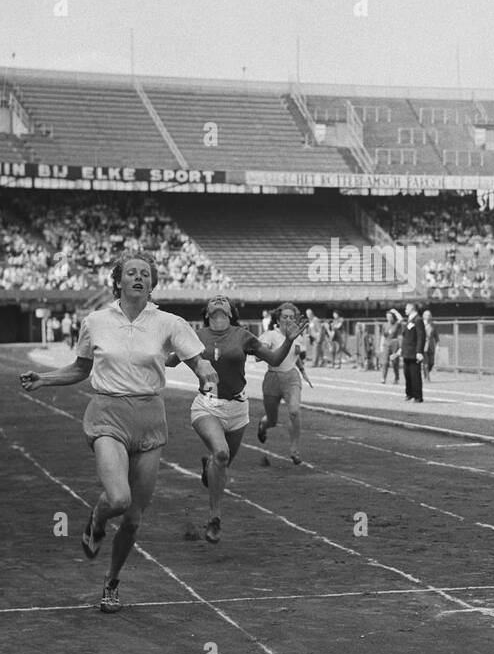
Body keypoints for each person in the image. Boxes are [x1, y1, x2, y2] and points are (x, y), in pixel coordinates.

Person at [20, 254, 218, 613]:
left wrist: (205, 370)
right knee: (119, 498)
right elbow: (81, 367)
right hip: (107, 414)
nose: (139, 278)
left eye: (145, 274)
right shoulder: (95, 321)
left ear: (152, 284)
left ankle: (111, 583)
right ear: (119, 281)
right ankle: (96, 521)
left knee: (134, 517)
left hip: (149, 417)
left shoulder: (168, 322)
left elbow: (196, 358)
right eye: (132, 273)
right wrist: (44, 378)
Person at [175, 296, 302, 543]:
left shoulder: (243, 336)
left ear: (231, 312)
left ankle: (209, 466)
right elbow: (169, 359)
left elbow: (274, 359)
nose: (219, 302)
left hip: (237, 410)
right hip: (207, 406)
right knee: (221, 455)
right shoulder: (196, 336)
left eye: (224, 301)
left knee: (222, 464)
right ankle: (215, 518)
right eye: (215, 300)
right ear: (207, 311)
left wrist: (288, 341)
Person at [257, 302, 308, 465]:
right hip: (272, 378)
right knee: (272, 420)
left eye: (292, 317)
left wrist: (302, 369)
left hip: (291, 378)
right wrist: (262, 351)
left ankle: (294, 450)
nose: (288, 320)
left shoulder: (299, 337)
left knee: (294, 412)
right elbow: (260, 353)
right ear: (278, 319)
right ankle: (263, 425)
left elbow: (296, 354)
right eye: (285, 317)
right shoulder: (270, 335)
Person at [400, 302, 426, 403]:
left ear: (412, 308)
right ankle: (409, 393)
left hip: (414, 352)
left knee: (415, 375)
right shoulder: (409, 320)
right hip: (407, 352)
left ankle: (418, 396)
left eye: (406, 308)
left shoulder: (418, 320)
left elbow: (421, 337)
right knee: (407, 374)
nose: (405, 310)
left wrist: (419, 351)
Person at [381, 309, 402, 384]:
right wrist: (381, 345)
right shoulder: (385, 325)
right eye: (387, 316)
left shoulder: (396, 324)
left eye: (390, 316)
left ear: (393, 317)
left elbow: (401, 319)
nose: (388, 318)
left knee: (395, 362)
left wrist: (396, 312)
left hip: (394, 343)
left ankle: (396, 378)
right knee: (385, 362)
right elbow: (383, 336)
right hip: (386, 343)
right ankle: (383, 378)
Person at [421, 309, 439, 382]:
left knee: (431, 363)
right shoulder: (421, 325)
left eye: (429, 315)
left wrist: (437, 346)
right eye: (426, 315)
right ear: (423, 316)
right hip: (423, 346)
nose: (428, 317)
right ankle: (427, 378)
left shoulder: (433, 326)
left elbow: (436, 337)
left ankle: (426, 373)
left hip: (431, 346)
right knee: (426, 363)